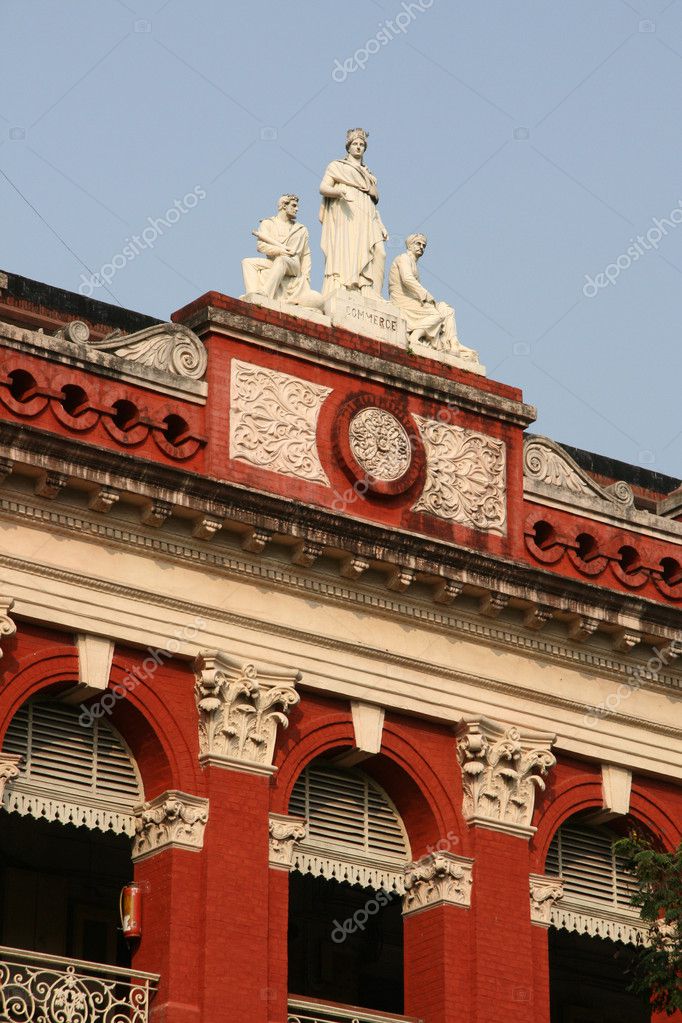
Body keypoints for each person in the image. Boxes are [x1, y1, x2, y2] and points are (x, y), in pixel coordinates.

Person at [389, 233, 479, 363]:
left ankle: (453, 345)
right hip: (402, 300)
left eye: (424, 245)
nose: (421, 247)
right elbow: (407, 279)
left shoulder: (414, 263)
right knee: (436, 316)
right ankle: (414, 337)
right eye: (418, 244)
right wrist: (425, 294)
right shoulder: (403, 258)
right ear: (410, 245)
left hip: (412, 300)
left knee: (447, 310)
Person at [319, 128, 388, 297]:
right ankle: (346, 285)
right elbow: (323, 187)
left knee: (380, 252)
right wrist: (338, 193)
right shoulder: (336, 166)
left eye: (362, 144)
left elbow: (373, 203)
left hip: (367, 213)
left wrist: (380, 224)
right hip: (346, 210)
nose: (358, 147)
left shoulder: (369, 175)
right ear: (348, 147)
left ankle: (372, 292)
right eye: (355, 144)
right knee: (349, 247)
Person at [241, 194, 324, 310]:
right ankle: (253, 296)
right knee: (247, 262)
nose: (297, 209)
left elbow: (306, 255)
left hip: (293, 265)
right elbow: (261, 246)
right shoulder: (267, 223)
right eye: (294, 205)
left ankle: (265, 293)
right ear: (284, 206)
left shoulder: (301, 229)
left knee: (282, 260)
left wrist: (306, 277)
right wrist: (280, 250)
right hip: (274, 261)